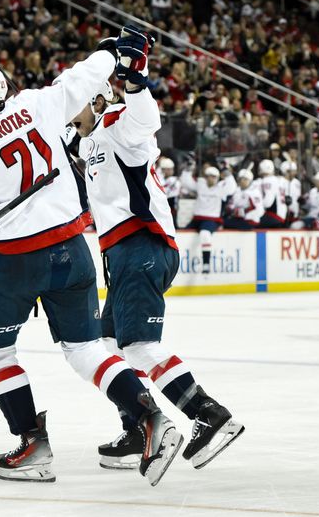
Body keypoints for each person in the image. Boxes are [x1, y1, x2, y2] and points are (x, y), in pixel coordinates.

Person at [0, 41, 182, 486]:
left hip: (16, 261)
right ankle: (150, 418)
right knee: (85, 350)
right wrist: (113, 53)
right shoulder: (38, 103)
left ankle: (32, 444)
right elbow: (84, 75)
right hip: (73, 251)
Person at [69, 32, 244, 472]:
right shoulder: (89, 142)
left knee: (141, 347)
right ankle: (135, 428)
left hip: (141, 246)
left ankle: (209, 415)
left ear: (95, 102)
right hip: (124, 253)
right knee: (107, 344)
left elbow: (145, 119)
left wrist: (134, 76)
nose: (66, 109)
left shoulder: (120, 129)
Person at [180, 165, 236, 274]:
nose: (211, 179)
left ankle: (206, 264)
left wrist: (226, 171)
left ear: (217, 178)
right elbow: (186, 183)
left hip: (212, 220)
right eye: (209, 176)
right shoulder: (201, 185)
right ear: (206, 177)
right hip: (197, 219)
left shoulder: (221, 189)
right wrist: (188, 168)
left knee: (205, 234)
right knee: (181, 234)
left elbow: (232, 186)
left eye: (214, 177)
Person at [256, 159, 287, 228]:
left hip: (274, 216)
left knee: (251, 221)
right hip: (281, 215)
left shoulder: (268, 180)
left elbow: (267, 203)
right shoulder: (280, 180)